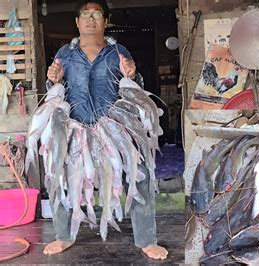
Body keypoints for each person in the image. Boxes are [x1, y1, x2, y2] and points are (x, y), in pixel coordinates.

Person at [43, 0, 168, 260]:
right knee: (59, 177)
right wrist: (51, 79)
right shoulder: (64, 54)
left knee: (140, 176)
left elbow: (133, 90)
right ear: (77, 22)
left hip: (114, 128)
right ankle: (63, 236)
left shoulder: (118, 51)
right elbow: (54, 93)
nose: (91, 19)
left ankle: (146, 239)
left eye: (97, 14)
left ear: (105, 22)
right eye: (85, 15)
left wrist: (133, 76)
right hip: (75, 128)